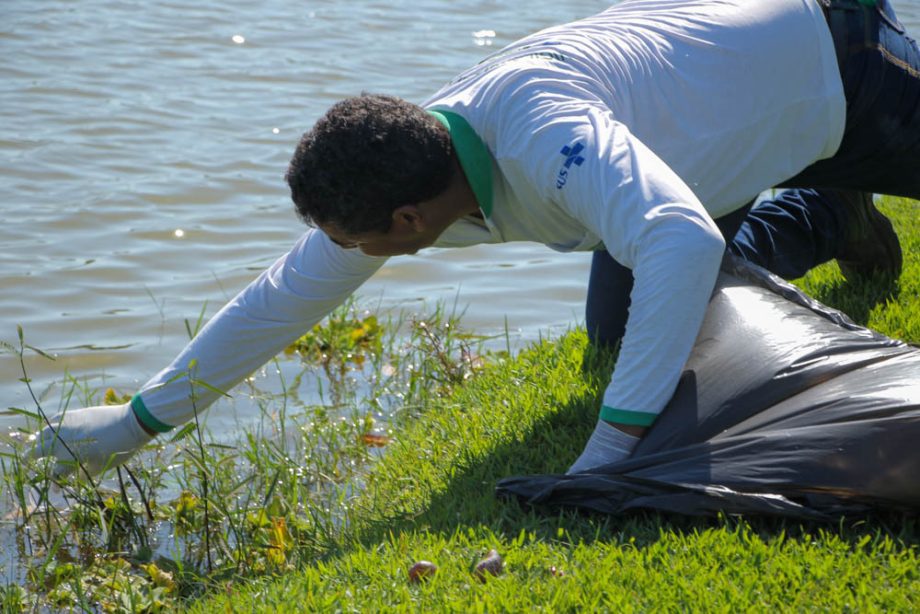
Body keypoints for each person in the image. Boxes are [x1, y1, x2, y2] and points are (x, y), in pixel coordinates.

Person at [30, 0, 918, 477]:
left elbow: (679, 240)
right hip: (698, 154)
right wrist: (136, 423)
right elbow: (280, 298)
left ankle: (837, 190)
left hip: (839, 67)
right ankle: (830, 216)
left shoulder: (535, 127)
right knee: (626, 338)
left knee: (669, 266)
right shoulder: (416, 169)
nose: (347, 257)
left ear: (409, 223)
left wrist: (608, 455)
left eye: (358, 243)